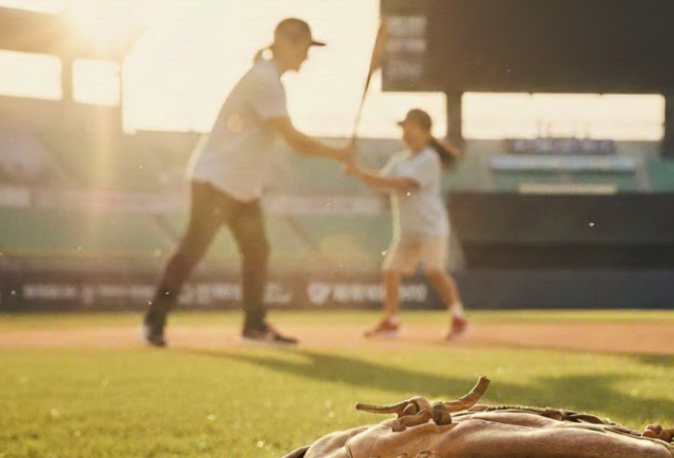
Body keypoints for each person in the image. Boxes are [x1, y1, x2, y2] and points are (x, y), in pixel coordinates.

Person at [141, 18, 353, 347]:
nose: (306, 57)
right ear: (285, 42)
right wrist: (338, 153)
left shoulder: (268, 79)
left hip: (240, 188)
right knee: (193, 250)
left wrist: (335, 153)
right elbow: (293, 139)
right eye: (303, 48)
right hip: (216, 182)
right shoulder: (264, 80)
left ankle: (254, 327)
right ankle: (154, 321)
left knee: (257, 252)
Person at [343, 108, 468, 341]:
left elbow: (405, 184)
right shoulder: (399, 159)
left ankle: (458, 317)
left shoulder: (430, 158)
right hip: (408, 230)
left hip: (431, 227)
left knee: (434, 271)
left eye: (411, 127)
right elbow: (379, 184)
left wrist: (359, 172)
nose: (406, 132)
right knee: (390, 271)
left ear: (425, 132)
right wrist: (356, 171)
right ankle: (391, 321)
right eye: (404, 127)